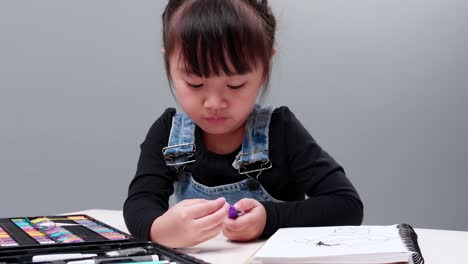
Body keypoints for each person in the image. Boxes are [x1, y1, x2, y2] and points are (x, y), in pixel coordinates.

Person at [124, 0, 363, 248]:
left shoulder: (281, 131)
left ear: (265, 65)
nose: (214, 103)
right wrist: (158, 229)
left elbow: (346, 204)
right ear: (169, 65)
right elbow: (140, 202)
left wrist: (268, 220)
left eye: (235, 85)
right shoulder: (169, 134)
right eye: (195, 84)